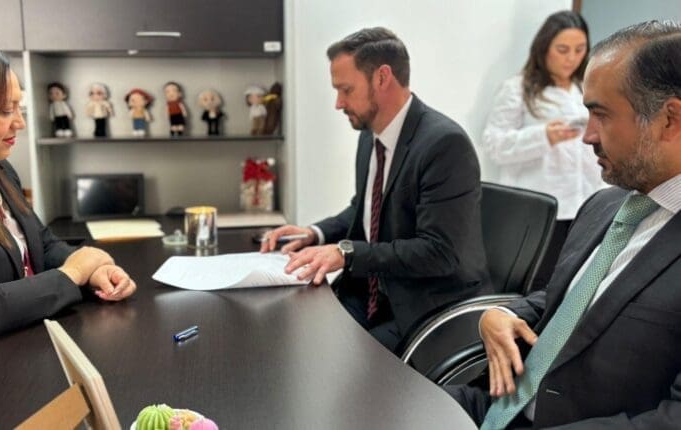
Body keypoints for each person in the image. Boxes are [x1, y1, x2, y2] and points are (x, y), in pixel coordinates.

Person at [446, 21, 681, 429]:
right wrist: (500, 313)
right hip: (498, 406)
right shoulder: (605, 206)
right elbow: (566, 299)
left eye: (601, 115)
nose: (587, 136)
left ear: (669, 119)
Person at [260, 27, 489, 352]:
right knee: (289, 330)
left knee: (328, 357)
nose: (338, 103)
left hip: (422, 307)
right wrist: (315, 233)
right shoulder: (370, 136)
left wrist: (347, 253)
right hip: (372, 292)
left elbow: (439, 252)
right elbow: (366, 208)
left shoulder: (444, 144)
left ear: (382, 78)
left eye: (346, 90)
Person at [0, 39, 137, 374]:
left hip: (23, 352)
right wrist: (73, 273)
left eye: (19, 107)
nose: (21, 123)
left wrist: (93, 273)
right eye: (5, 111)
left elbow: (42, 245)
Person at [481, 11, 604, 291]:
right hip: (539, 208)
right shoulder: (518, 89)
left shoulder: (584, 89)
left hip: (582, 204)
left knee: (571, 283)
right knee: (533, 285)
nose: (571, 58)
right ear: (544, 48)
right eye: (562, 49)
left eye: (579, 50)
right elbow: (494, 144)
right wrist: (543, 136)